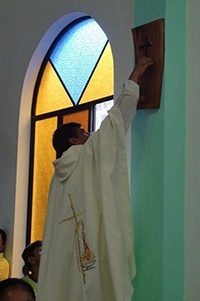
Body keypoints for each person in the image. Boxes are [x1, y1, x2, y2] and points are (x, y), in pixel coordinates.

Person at [37, 56, 153, 301]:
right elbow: (116, 121)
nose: (89, 135)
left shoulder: (56, 180)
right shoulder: (87, 154)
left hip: (68, 256)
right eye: (83, 132)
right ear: (73, 140)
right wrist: (135, 78)